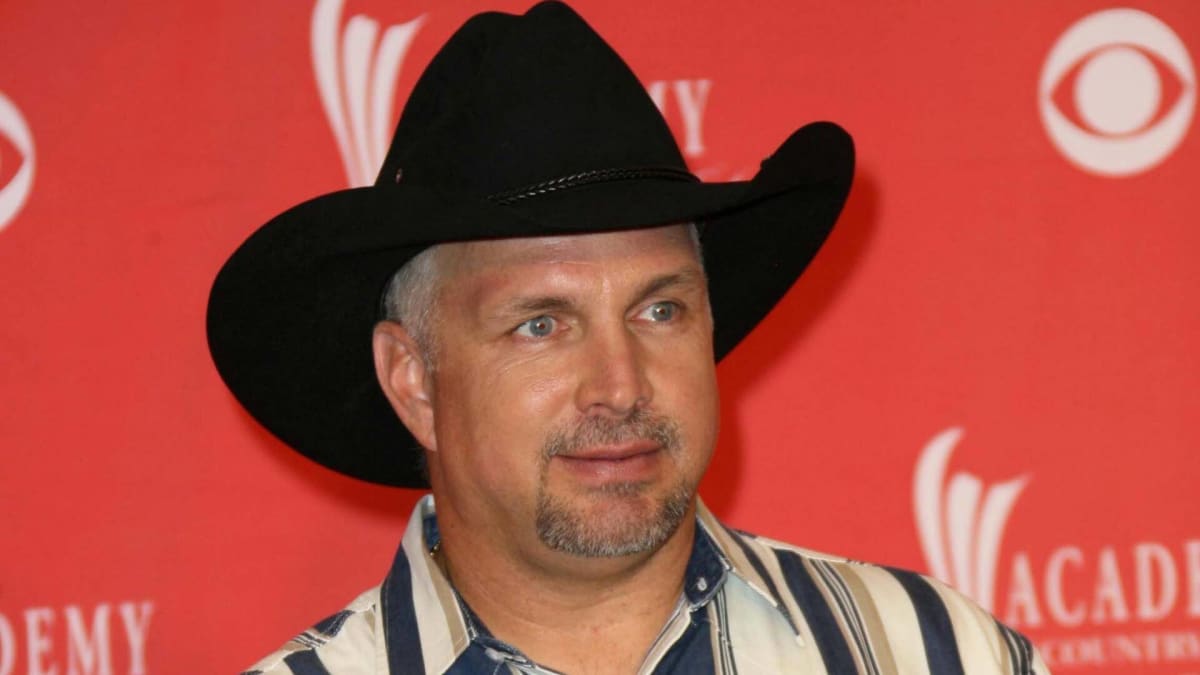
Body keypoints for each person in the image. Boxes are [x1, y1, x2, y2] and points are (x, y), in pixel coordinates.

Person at [208, 2, 1048, 673]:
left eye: (660, 311)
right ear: (414, 379)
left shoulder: (938, 654)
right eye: (541, 324)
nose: (620, 384)